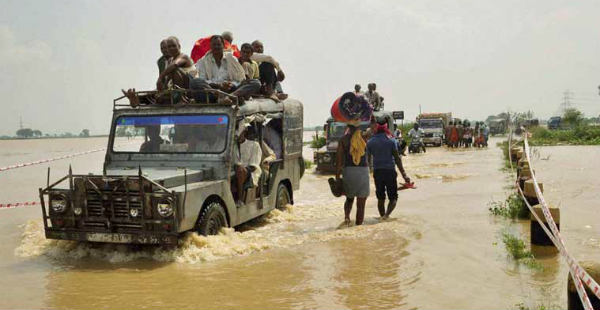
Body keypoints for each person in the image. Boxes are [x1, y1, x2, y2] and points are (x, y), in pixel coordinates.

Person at [191, 35, 261, 102]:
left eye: (218, 45)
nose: (216, 47)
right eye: (214, 45)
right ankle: (221, 97)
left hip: (231, 90)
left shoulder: (231, 58)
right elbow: (203, 80)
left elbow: (239, 79)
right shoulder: (203, 61)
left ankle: (229, 97)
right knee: (195, 81)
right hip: (213, 91)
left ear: (223, 46)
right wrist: (219, 86)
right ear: (210, 46)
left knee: (256, 83)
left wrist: (230, 84)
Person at [367, 122, 411, 219]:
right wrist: (404, 175)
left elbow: (367, 161)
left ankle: (382, 216)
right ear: (386, 129)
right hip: (390, 171)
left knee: (380, 198)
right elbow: (397, 159)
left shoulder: (370, 142)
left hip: (377, 172)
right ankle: (386, 216)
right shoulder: (392, 141)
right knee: (393, 197)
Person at [336, 122, 371, 226]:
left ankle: (347, 217)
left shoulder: (343, 140)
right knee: (361, 203)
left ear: (348, 127)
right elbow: (373, 129)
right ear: (359, 127)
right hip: (363, 171)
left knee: (349, 198)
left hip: (349, 171)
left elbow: (339, 161)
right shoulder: (364, 137)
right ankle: (358, 226)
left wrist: (337, 177)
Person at [233, 124, 263, 205]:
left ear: (244, 132)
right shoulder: (231, 147)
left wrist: (241, 168)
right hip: (233, 171)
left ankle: (240, 199)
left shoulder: (254, 145)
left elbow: (254, 165)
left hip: (250, 173)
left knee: (240, 170)